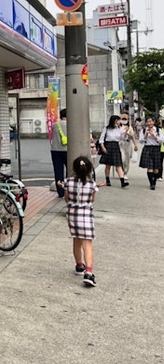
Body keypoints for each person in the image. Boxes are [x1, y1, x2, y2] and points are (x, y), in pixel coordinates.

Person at [57, 155, 100, 287]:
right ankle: (89, 272)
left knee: (76, 240)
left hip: (73, 215)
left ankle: (79, 265)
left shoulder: (68, 182)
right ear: (89, 170)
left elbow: (66, 199)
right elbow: (92, 200)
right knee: (87, 244)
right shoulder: (92, 184)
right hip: (86, 214)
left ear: (74, 169)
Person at [98, 115, 129, 187]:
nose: (120, 121)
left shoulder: (120, 128)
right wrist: (103, 147)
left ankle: (122, 181)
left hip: (116, 146)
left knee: (118, 164)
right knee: (108, 165)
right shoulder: (107, 128)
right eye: (118, 120)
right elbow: (101, 138)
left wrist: (125, 132)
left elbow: (123, 138)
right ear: (115, 121)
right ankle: (107, 179)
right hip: (108, 145)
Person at [138, 116, 164, 190]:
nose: (149, 123)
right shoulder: (143, 130)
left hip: (156, 149)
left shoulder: (158, 130)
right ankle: (151, 184)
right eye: (147, 122)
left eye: (150, 121)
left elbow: (162, 141)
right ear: (146, 123)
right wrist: (146, 135)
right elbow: (141, 141)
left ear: (153, 122)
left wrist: (154, 136)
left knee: (156, 169)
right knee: (150, 167)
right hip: (147, 148)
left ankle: (154, 181)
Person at [50, 108, 67, 198]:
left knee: (58, 172)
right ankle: (68, 189)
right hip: (67, 150)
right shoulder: (71, 125)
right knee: (70, 171)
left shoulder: (54, 125)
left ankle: (60, 193)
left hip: (55, 150)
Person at [118, 114, 139, 178]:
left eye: (125, 119)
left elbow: (133, 137)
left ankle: (125, 172)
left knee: (127, 160)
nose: (124, 120)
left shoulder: (130, 127)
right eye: (122, 119)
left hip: (128, 144)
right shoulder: (118, 127)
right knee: (122, 158)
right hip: (120, 143)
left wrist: (135, 145)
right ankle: (120, 171)